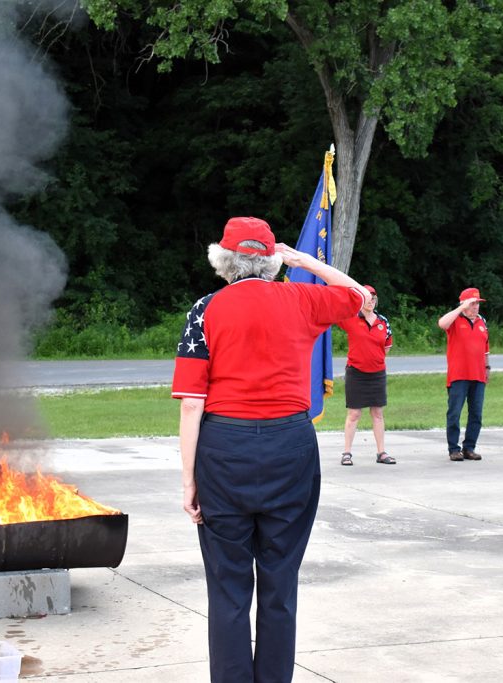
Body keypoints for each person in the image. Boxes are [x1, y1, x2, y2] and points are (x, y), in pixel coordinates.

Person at [171, 216, 370, 682]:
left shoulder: (204, 310)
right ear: (273, 259)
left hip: (225, 449)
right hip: (290, 446)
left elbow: (190, 406)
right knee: (280, 583)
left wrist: (189, 480)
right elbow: (358, 295)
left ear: (223, 261)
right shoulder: (301, 297)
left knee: (228, 587)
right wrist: (304, 261)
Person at [337, 285, 394, 465]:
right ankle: (346, 453)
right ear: (360, 299)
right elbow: (332, 314)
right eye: (367, 297)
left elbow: (387, 346)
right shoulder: (350, 318)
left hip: (377, 373)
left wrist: (374, 358)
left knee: (377, 412)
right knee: (354, 413)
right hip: (356, 372)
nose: (370, 301)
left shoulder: (383, 322)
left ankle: (381, 452)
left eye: (373, 298)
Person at [438, 287, 490, 461]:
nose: (476, 307)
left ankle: (469, 447)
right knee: (454, 413)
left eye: (477, 304)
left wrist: (487, 368)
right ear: (464, 304)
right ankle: (454, 448)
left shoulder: (482, 322)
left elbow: (485, 349)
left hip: (478, 374)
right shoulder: (455, 319)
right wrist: (461, 308)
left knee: (476, 414)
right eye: (472, 303)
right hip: (459, 375)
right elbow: (442, 323)